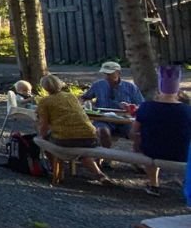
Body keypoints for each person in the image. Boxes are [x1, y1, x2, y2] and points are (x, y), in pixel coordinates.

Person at [37, 74, 110, 183]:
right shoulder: (71, 96)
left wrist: (42, 135)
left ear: (45, 88)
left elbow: (44, 124)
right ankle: (99, 174)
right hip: (90, 136)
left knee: (44, 142)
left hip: (65, 138)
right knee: (81, 152)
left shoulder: (45, 102)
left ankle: (56, 170)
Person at [132, 65, 191, 196]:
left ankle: (154, 183)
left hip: (152, 150)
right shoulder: (187, 110)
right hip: (181, 153)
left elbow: (134, 130)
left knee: (145, 145)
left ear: (159, 89)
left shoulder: (146, 107)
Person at [80, 61, 145, 149]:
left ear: (118, 73)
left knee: (138, 134)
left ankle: (137, 159)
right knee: (102, 131)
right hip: (103, 118)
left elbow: (141, 105)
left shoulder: (131, 87)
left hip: (124, 119)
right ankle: (107, 159)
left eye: (110, 74)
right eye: (105, 74)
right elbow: (84, 98)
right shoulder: (98, 85)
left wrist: (129, 106)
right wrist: (86, 103)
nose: (107, 77)